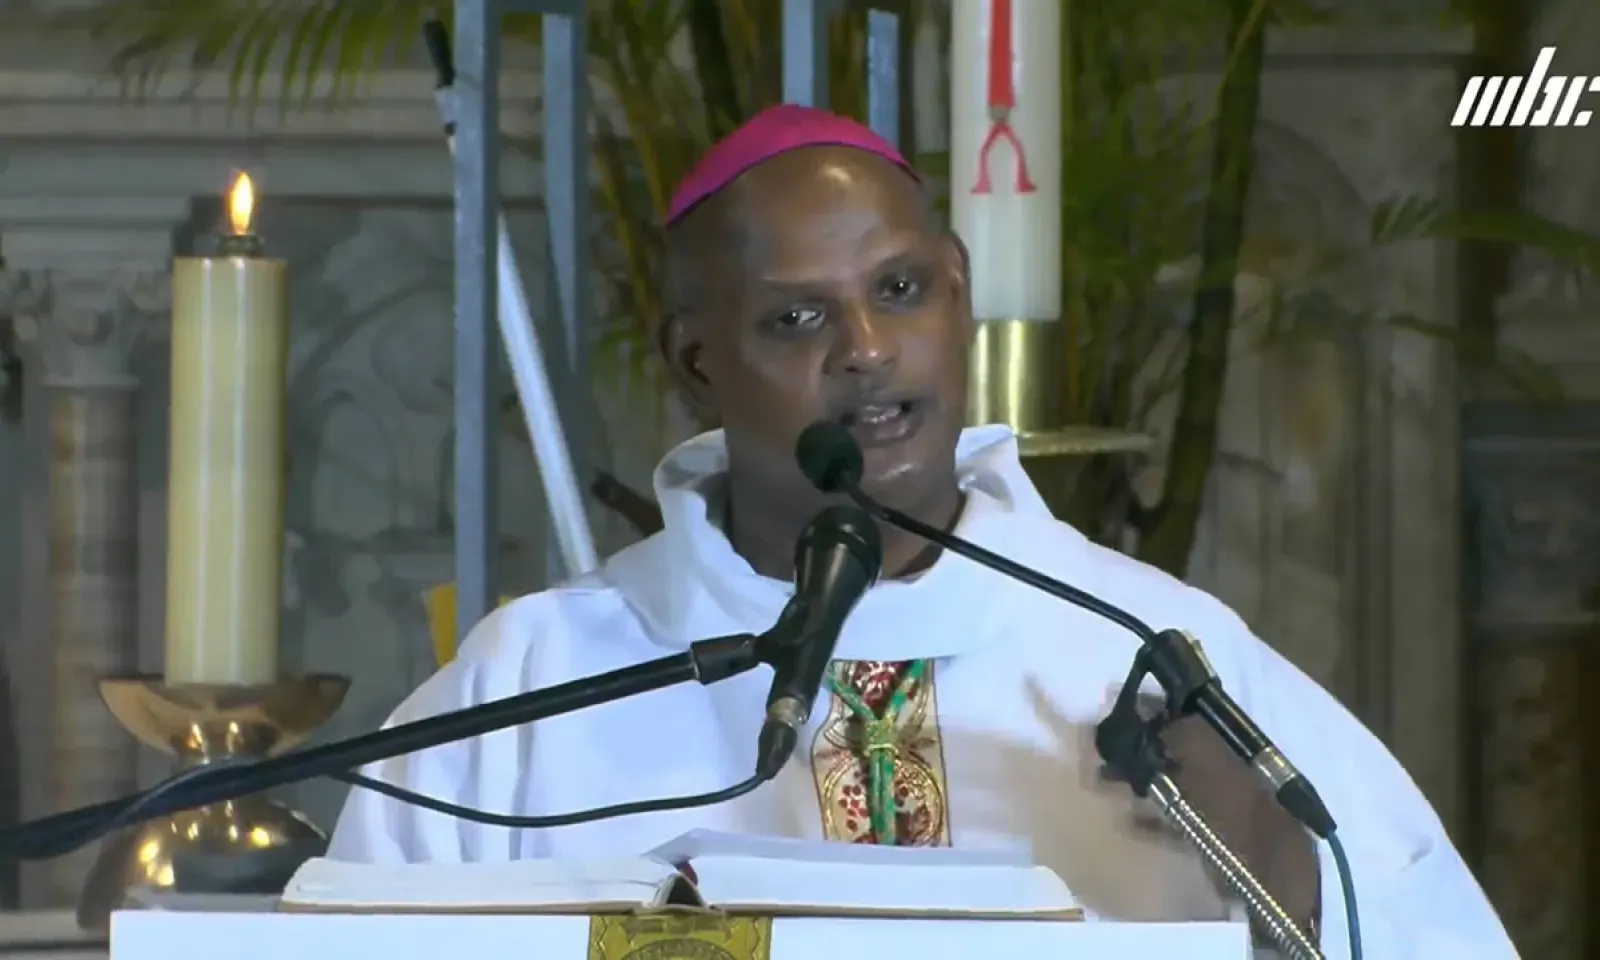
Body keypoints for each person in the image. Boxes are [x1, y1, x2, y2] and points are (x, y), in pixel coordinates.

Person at [329, 104, 1515, 957]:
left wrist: (1286, 882)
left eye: (899, 291)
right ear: (697, 363)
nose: (865, 350)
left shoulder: (1154, 651)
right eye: (797, 319)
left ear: (958, 292)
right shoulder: (537, 682)